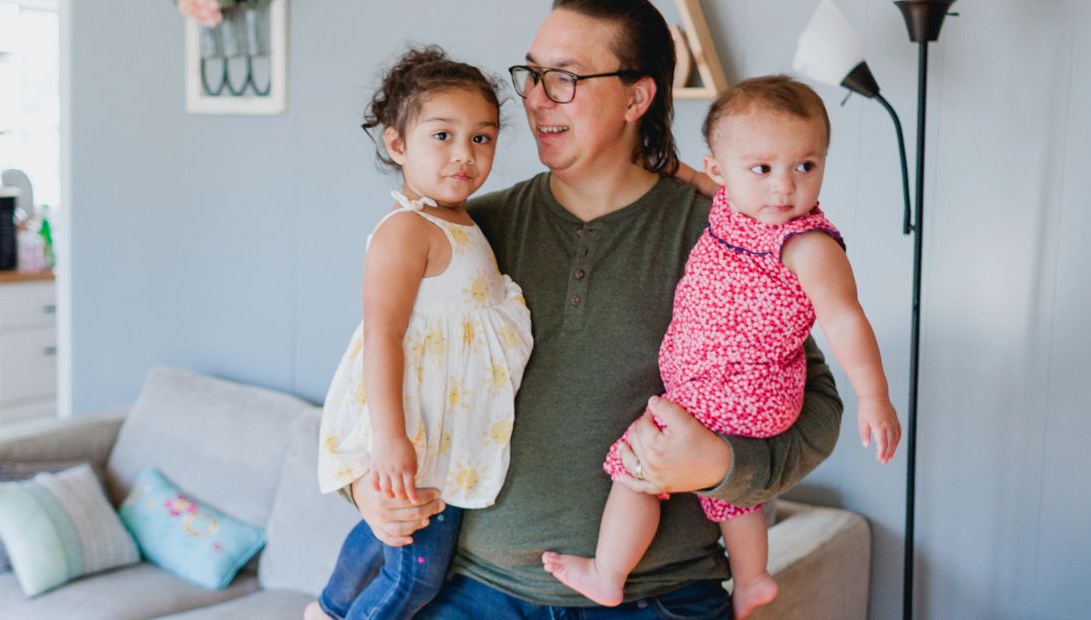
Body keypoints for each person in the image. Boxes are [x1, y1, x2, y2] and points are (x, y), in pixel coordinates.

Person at [349, 2, 845, 618]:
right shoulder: (468, 231)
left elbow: (817, 404)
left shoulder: (726, 235)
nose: (533, 99)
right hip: (470, 591)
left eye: (564, 78)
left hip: (659, 599)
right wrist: (364, 487)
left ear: (637, 98)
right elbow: (374, 373)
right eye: (531, 75)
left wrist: (724, 464)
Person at [541, 75, 902, 618]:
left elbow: (845, 319)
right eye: (763, 168)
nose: (785, 187)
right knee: (735, 498)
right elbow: (695, 176)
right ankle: (753, 579)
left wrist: (874, 395)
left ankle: (607, 573)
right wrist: (666, 166)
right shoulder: (735, 206)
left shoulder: (805, 242)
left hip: (738, 388)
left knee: (637, 469)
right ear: (721, 171)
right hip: (729, 390)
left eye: (806, 166)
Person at [307, 46, 533, 620]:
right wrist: (391, 439)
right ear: (397, 144)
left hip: (448, 424)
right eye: (442, 136)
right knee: (416, 577)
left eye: (482, 138)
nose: (465, 154)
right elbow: (382, 334)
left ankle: (328, 609)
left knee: (390, 539)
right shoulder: (408, 229)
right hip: (417, 431)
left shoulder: (463, 219)